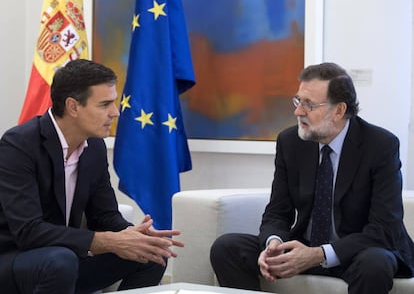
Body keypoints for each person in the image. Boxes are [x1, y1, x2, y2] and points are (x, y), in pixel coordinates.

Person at [210, 62, 414, 294]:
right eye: (298, 101)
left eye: (309, 104)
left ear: (338, 111)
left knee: (374, 264)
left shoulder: (380, 145)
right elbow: (278, 211)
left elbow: (384, 229)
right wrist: (273, 243)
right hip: (304, 246)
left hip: (356, 251)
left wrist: (318, 255)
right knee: (226, 247)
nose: (298, 112)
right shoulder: (290, 142)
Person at [0, 59, 184, 294]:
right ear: (73, 107)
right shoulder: (19, 145)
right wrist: (105, 241)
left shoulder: (94, 147)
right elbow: (29, 231)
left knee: (150, 254)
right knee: (60, 261)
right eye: (105, 104)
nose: (115, 112)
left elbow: (104, 216)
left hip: (63, 259)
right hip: (14, 260)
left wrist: (133, 235)